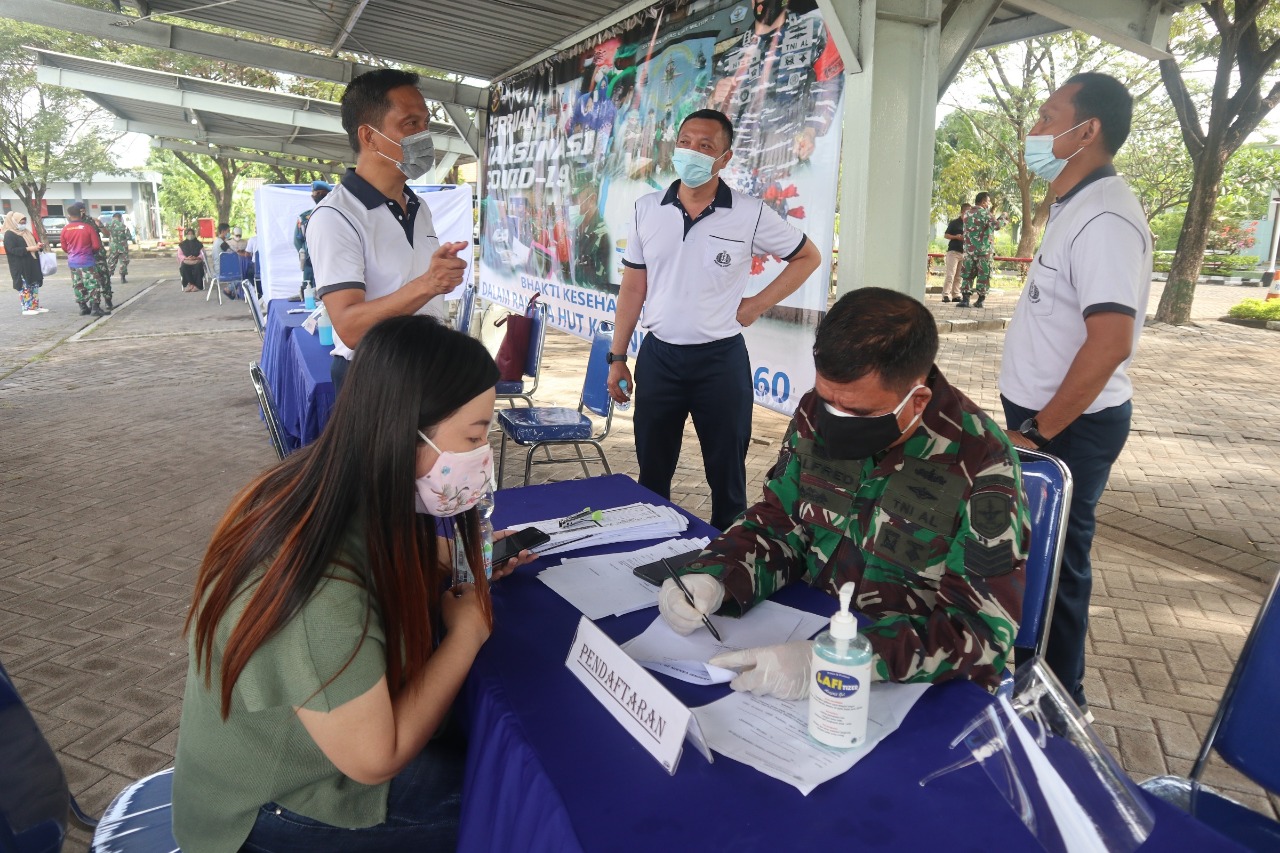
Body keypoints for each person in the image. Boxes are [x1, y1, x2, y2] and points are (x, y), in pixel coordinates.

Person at [171, 316, 537, 853]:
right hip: (272, 807)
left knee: (494, 762)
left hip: (318, 756)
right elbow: (375, 758)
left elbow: (377, 553)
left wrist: (448, 557)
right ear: (405, 430)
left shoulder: (339, 483)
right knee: (512, 807)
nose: (482, 458)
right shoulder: (316, 583)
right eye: (475, 437)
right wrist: (466, 633)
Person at [658, 287, 1029, 696]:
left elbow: (978, 631)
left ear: (917, 400)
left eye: (858, 413)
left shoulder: (981, 459)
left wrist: (841, 660)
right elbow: (781, 524)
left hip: (903, 681)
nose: (833, 421)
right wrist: (715, 577)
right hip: (800, 633)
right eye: (827, 399)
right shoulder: (816, 412)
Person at [1000, 72, 1152, 714]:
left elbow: (1110, 342)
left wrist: (1039, 432)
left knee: (1057, 569)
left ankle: (1061, 706)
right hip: (1044, 418)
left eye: (1045, 116)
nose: (1032, 131)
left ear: (1085, 130)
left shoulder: (1106, 218)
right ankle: (1024, 683)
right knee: (1028, 559)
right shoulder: (1071, 204)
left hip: (1069, 427)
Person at [607, 109, 822, 531]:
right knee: (652, 473)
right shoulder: (647, 209)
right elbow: (633, 288)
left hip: (720, 363)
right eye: (685, 142)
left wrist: (757, 303)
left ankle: (729, 563)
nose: (692, 152)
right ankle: (651, 547)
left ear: (724, 158)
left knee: (727, 476)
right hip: (659, 359)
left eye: (705, 146)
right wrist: (617, 356)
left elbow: (808, 257)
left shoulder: (749, 213)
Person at [309, 68, 469, 393]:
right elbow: (350, 327)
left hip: (425, 370)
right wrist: (428, 284)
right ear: (369, 137)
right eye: (410, 124)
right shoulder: (336, 216)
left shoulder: (418, 205)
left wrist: (439, 280)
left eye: (426, 124)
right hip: (376, 380)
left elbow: (417, 294)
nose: (424, 136)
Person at [958, 192, 1008, 309]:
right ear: (983, 202)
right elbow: (997, 225)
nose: (989, 204)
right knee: (983, 275)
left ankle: (965, 300)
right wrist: (1004, 217)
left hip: (969, 251)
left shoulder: (967, 214)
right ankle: (980, 301)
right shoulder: (986, 214)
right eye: (988, 201)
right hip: (984, 251)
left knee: (967, 275)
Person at [61, 202, 108, 316]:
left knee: (78, 284)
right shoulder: (88, 228)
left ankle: (83, 307)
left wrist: (73, 253)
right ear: (80, 214)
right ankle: (95, 308)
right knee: (92, 283)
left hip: (73, 262)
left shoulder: (65, 229)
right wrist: (89, 252)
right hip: (87, 261)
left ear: (69, 216)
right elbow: (96, 245)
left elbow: (64, 247)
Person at [3, 211, 48, 315]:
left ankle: (35, 306)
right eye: (21, 222)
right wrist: (28, 249)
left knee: (34, 285)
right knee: (25, 286)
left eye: (24, 222)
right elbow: (11, 250)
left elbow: (35, 243)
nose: (23, 224)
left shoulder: (27, 232)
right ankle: (27, 308)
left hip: (32, 263)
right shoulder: (9, 234)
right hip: (20, 266)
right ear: (14, 222)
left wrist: (38, 245)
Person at [295, 180, 331, 287]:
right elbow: (297, 241)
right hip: (311, 264)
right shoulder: (304, 218)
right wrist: (305, 255)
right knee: (309, 294)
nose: (319, 196)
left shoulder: (337, 214)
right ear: (312, 196)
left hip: (329, 262)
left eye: (322, 193)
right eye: (317, 193)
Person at [941, 203, 971, 303]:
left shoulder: (970, 224)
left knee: (959, 276)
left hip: (964, 253)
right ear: (962, 211)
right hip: (953, 251)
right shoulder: (954, 223)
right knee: (950, 274)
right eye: (967, 211)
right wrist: (956, 237)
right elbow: (946, 235)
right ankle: (946, 294)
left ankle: (956, 294)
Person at [107, 212, 133, 284]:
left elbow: (105, 234)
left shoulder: (108, 225)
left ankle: (108, 279)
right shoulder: (124, 226)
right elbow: (129, 237)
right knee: (124, 262)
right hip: (123, 247)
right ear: (120, 218)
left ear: (113, 217)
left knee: (111, 262)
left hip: (113, 247)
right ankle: (123, 278)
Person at [178, 227, 207, 292]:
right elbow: (179, 254)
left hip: (197, 261)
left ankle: (197, 285)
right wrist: (186, 258)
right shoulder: (182, 244)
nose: (190, 235)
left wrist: (197, 257)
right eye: (188, 234)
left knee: (198, 267)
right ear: (186, 235)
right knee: (183, 267)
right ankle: (190, 284)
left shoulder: (199, 244)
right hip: (187, 261)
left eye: (191, 234)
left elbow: (203, 254)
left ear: (194, 235)